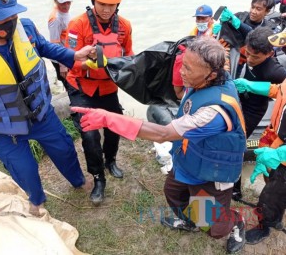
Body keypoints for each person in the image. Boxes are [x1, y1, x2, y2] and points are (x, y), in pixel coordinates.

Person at [72, 36, 247, 254]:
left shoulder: (212, 113)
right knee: (174, 193)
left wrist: (109, 119)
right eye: (182, 64)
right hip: (190, 155)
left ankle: (235, 223)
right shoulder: (208, 76)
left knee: (212, 226)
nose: (182, 72)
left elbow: (164, 134)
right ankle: (191, 221)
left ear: (211, 74)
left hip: (212, 169)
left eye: (188, 69)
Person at [0, 0, 96, 216]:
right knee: (23, 168)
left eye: (12, 14)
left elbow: (45, 47)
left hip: (41, 113)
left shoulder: (25, 28)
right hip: (6, 129)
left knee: (65, 148)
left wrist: (73, 55)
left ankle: (78, 180)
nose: (9, 22)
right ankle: (36, 199)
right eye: (0, 18)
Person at [65, 0, 134, 206]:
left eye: (111, 5)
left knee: (115, 125)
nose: (106, 9)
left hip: (107, 87)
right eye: (102, 4)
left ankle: (110, 160)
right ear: (93, 0)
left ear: (118, 4)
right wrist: (86, 63)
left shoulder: (124, 26)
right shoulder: (77, 25)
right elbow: (67, 60)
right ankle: (98, 178)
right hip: (82, 86)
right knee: (90, 134)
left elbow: (129, 55)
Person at [232, 26, 286, 201]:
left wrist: (252, 86)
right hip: (238, 101)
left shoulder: (275, 71)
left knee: (236, 145)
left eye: (255, 57)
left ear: (270, 54)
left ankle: (235, 190)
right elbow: (245, 29)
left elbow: (282, 88)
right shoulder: (250, 50)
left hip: (252, 110)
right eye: (247, 53)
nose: (249, 59)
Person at [218, 0, 277, 78]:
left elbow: (256, 37)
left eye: (258, 9)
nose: (253, 11)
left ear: (267, 11)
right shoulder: (240, 16)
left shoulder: (269, 28)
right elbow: (224, 31)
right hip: (232, 57)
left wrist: (240, 25)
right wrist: (221, 23)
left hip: (252, 63)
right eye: (252, 7)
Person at [48, 0, 73, 90]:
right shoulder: (55, 19)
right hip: (60, 59)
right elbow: (54, 44)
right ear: (55, 1)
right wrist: (62, 65)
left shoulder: (64, 12)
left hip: (67, 54)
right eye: (63, 2)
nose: (66, 5)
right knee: (70, 86)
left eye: (68, 2)